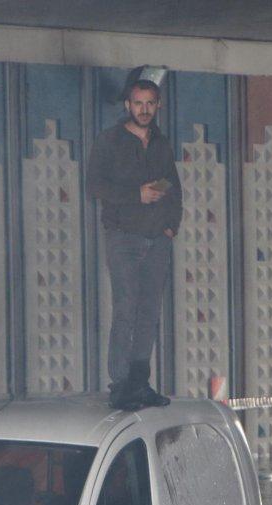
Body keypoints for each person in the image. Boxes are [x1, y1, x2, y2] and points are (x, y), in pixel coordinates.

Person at [87, 76, 182, 411]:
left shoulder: (161, 143)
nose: (144, 109)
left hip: (157, 239)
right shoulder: (109, 141)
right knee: (125, 310)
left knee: (149, 313)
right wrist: (135, 195)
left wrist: (171, 226)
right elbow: (94, 186)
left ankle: (140, 383)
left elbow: (173, 184)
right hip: (123, 237)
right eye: (138, 103)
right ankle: (121, 385)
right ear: (128, 105)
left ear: (158, 106)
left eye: (150, 103)